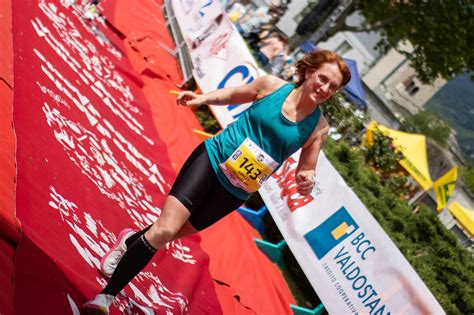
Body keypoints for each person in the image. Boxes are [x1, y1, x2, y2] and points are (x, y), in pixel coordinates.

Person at [82, 50, 351, 314]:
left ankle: (130, 241)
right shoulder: (272, 86)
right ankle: (106, 297)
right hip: (211, 160)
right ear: (309, 72)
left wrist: (307, 177)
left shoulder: (319, 127)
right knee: (163, 231)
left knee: (167, 234)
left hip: (236, 191)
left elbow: (307, 167)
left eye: (333, 86)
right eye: (323, 79)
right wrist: (201, 98)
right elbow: (235, 94)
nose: (325, 88)